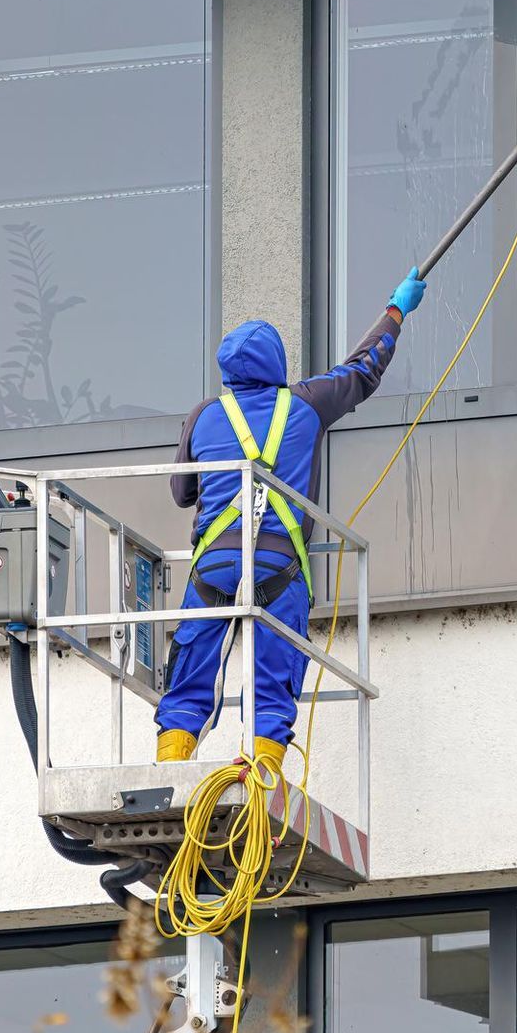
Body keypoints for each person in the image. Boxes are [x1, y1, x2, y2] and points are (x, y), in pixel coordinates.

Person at [154, 271, 426, 766]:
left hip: (213, 566)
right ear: (276, 364)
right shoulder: (306, 403)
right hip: (279, 567)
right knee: (272, 681)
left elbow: (180, 492)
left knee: (191, 675)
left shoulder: (205, 415)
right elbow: (362, 370)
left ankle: (172, 763)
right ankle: (262, 776)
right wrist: (395, 311)